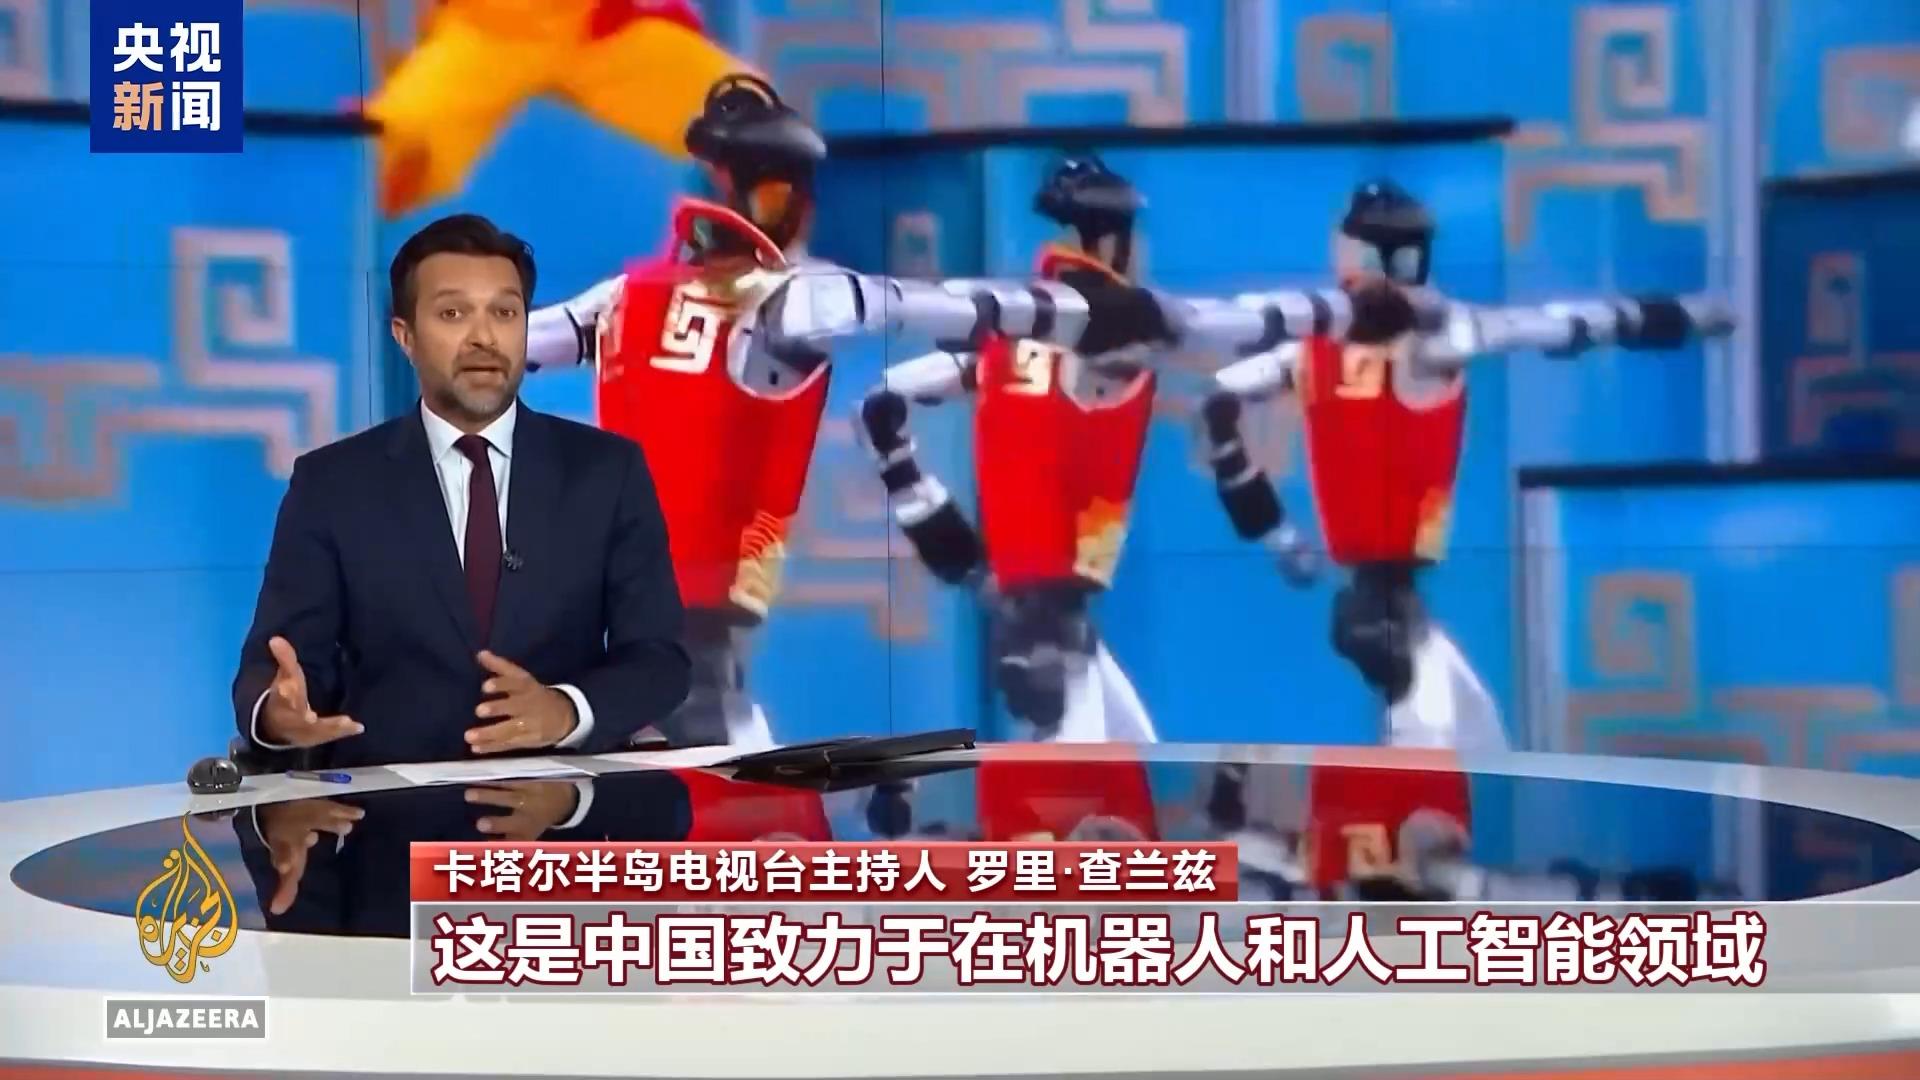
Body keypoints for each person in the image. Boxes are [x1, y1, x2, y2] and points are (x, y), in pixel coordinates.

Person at [1194, 179, 1736, 750]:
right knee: (1431, 754)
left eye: (1403, 258)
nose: (1391, 277)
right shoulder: (1329, 349)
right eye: (1381, 257)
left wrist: (1679, 318)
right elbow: (1218, 402)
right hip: (1376, 607)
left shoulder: (1432, 339)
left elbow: (1568, 324)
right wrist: (1270, 526)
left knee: (1479, 739)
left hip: (1398, 598)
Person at [855, 155, 1302, 744]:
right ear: (1113, 241)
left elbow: (880, 408)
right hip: (1048, 635)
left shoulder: (1010, 344)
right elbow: (1202, 341)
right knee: (1076, 788)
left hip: (1046, 618)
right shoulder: (1111, 344)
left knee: (1138, 766)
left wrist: (953, 547)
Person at [230, 213, 693, 770]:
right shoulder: (332, 484)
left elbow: (659, 659)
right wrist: (278, 715)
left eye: (505, 312)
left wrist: (567, 711)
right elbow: (277, 664)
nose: (484, 337)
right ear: (405, 336)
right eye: (453, 313)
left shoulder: (607, 471)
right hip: (387, 808)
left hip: (563, 806)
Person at [364, 0, 750, 217]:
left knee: (750, 111)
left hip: (597, 29)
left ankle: (768, 277)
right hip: (489, 28)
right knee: (388, 143)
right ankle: (347, 276)